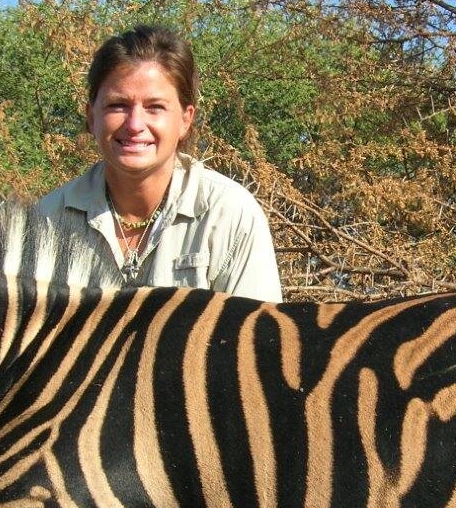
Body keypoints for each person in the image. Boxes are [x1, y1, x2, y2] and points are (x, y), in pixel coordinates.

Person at [36, 25, 282, 302]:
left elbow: (258, 341)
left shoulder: (230, 214)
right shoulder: (47, 219)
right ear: (91, 117)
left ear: (185, 120)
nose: (134, 125)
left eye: (155, 107)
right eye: (118, 105)